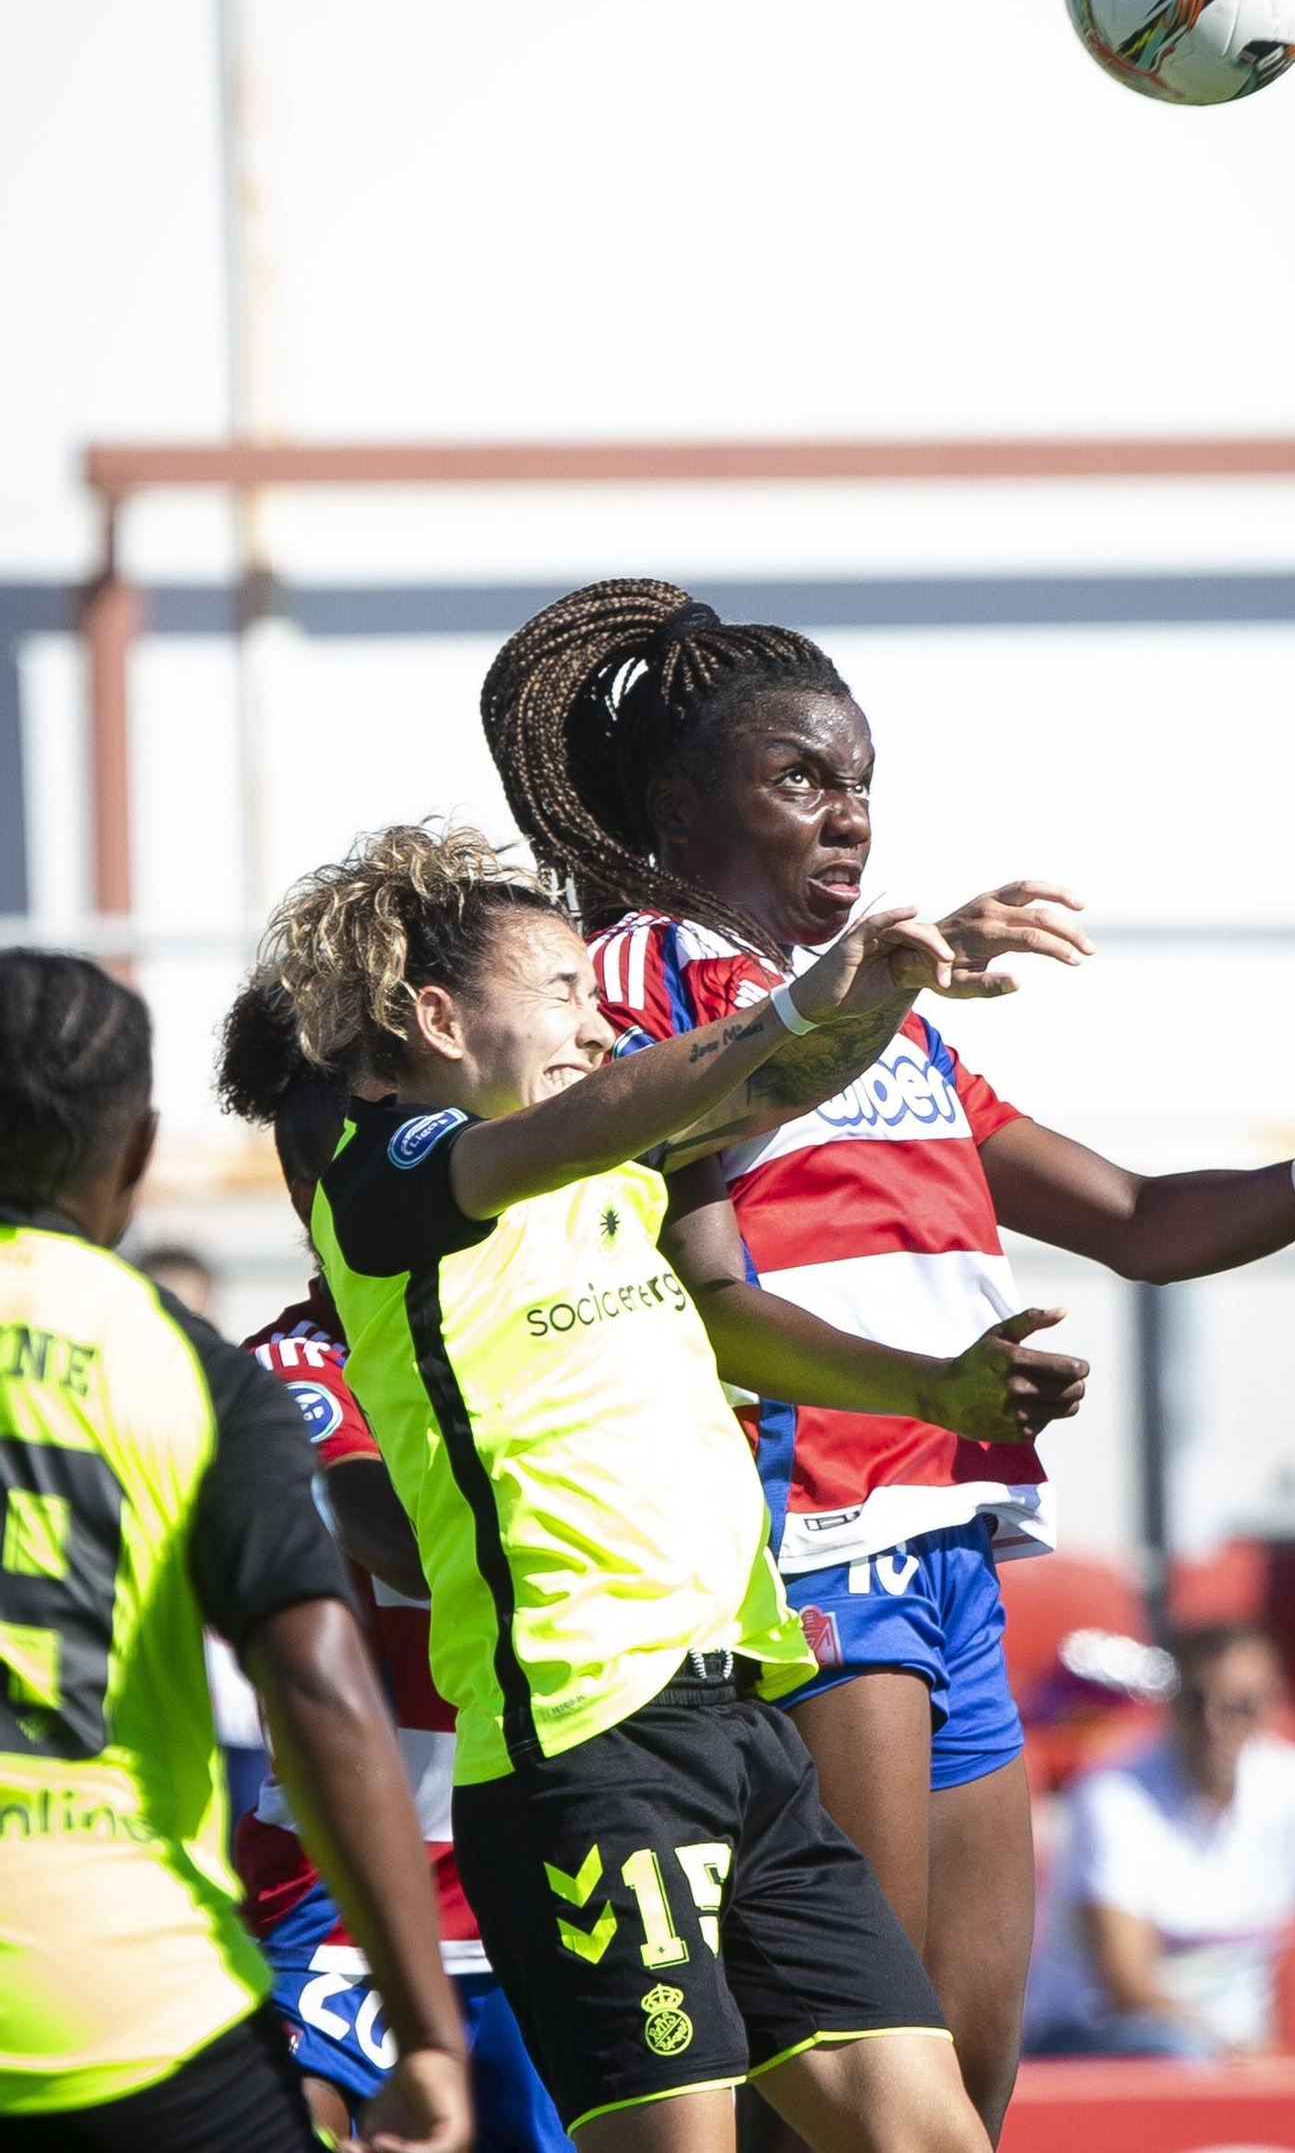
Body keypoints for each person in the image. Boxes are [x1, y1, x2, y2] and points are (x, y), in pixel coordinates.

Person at [479, 577, 1295, 2138]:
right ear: (675, 803)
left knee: (969, 2070)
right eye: (800, 776)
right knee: (853, 2064)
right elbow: (695, 1189)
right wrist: (870, 991)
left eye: (861, 780)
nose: (848, 815)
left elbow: (1134, 1217)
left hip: (954, 1537)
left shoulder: (901, 1020)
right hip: (807, 1535)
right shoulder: (643, 973)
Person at [261, 821, 1084, 2153]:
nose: (598, 1024)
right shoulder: (387, 1174)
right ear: (438, 1019)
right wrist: (799, 1001)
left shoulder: (605, 1173)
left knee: (932, 2136)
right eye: (562, 993)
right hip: (586, 1751)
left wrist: (884, 989)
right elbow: (621, 1104)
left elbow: (767, 1085)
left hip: (745, 1725)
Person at [0, 948, 471, 2153]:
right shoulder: (186, 1365)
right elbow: (314, 1675)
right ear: (139, 1152)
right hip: (117, 1995)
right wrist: (426, 2032)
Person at [217, 974, 572, 2153]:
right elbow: (401, 1538)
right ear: (317, 1194)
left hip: (544, 1860)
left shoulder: (533, 1336)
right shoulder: (291, 1368)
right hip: (351, 1888)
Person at [1023, 1626, 1295, 2059]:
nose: (1214, 1724)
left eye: (1240, 1707)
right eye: (1196, 1703)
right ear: (1170, 1703)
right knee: (1178, 2054)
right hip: (1088, 2040)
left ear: (1272, 1705)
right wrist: (1235, 2059)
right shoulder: (1110, 1796)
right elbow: (1127, 1986)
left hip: (1230, 2055)